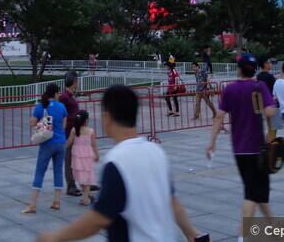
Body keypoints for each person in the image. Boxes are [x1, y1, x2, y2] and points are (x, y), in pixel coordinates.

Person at [36, 85, 206, 242]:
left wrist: (55, 236)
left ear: (107, 117)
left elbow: (99, 218)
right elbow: (172, 201)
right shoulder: (156, 151)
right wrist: (191, 232)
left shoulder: (117, 161)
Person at [207, 52, 277, 234]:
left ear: (240, 70)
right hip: (256, 148)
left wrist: (211, 141)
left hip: (238, 150)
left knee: (256, 189)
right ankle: (242, 236)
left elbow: (219, 116)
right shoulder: (259, 86)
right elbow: (270, 113)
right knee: (252, 194)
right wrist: (272, 104)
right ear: (254, 70)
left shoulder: (229, 89)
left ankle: (274, 225)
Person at [22, 83, 69, 214]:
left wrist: (41, 120)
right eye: (58, 92)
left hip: (47, 143)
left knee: (39, 172)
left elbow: (32, 122)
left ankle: (32, 205)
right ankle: (56, 202)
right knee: (58, 171)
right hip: (60, 142)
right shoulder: (62, 106)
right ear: (55, 94)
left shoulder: (40, 106)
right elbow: (64, 125)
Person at [66, 109, 100, 205]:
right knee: (87, 176)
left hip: (77, 156)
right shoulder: (90, 131)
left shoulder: (74, 130)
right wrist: (97, 154)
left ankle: (86, 198)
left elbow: (69, 142)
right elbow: (94, 144)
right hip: (87, 155)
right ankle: (87, 196)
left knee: (78, 175)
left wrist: (61, 147)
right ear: (86, 120)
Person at [60, 71, 83, 197]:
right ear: (74, 82)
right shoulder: (64, 97)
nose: (78, 82)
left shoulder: (71, 95)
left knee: (78, 158)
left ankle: (84, 182)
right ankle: (71, 186)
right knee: (69, 160)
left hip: (76, 130)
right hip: (68, 132)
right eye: (77, 80)